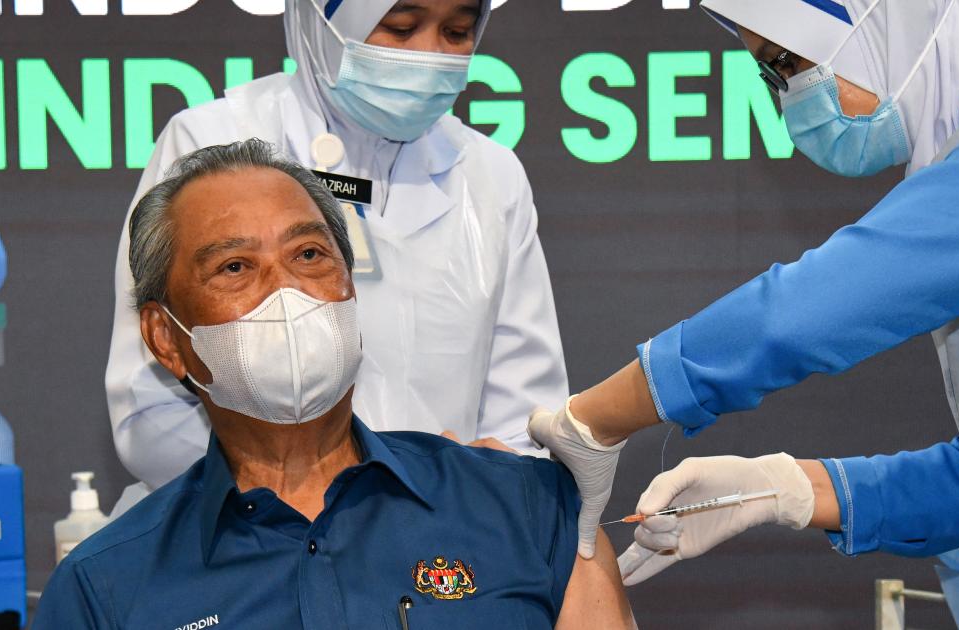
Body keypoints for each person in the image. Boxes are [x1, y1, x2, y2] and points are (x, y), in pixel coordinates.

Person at [528, 0, 959, 625]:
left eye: (787, 62)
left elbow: (805, 313)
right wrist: (783, 489)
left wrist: (594, 418)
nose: (790, 100)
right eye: (770, 76)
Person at [37, 140, 632, 629]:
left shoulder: (526, 507)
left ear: (350, 289)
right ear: (165, 337)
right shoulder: (104, 588)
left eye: (309, 254)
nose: (286, 290)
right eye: (235, 267)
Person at [106, 0, 568, 502]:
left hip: (446, 522)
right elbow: (152, 407)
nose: (430, 53)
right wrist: (313, 500)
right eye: (400, 27)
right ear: (321, 19)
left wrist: (472, 490)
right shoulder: (212, 143)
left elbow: (525, 411)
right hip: (247, 528)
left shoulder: (490, 174)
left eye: (457, 31)